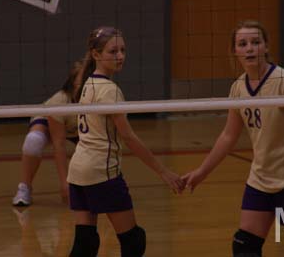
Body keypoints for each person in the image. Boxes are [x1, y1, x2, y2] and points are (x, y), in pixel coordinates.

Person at [182, 20, 284, 257]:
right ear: (235, 51)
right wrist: (202, 172)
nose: (250, 48)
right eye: (243, 44)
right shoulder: (238, 88)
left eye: (256, 42)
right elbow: (228, 136)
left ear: (266, 47)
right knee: (244, 245)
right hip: (260, 179)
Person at [67, 26, 183, 257]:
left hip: (78, 171)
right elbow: (129, 136)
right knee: (133, 240)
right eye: (113, 51)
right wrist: (163, 172)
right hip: (102, 172)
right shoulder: (109, 90)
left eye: (122, 50)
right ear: (96, 54)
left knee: (86, 242)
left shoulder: (87, 83)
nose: (120, 56)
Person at [12, 59, 89, 206]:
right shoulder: (59, 102)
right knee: (33, 141)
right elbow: (58, 144)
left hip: (76, 127)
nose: (86, 83)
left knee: (98, 147)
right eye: (82, 80)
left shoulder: (95, 99)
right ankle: (24, 188)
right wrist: (64, 184)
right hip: (50, 122)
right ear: (73, 82)